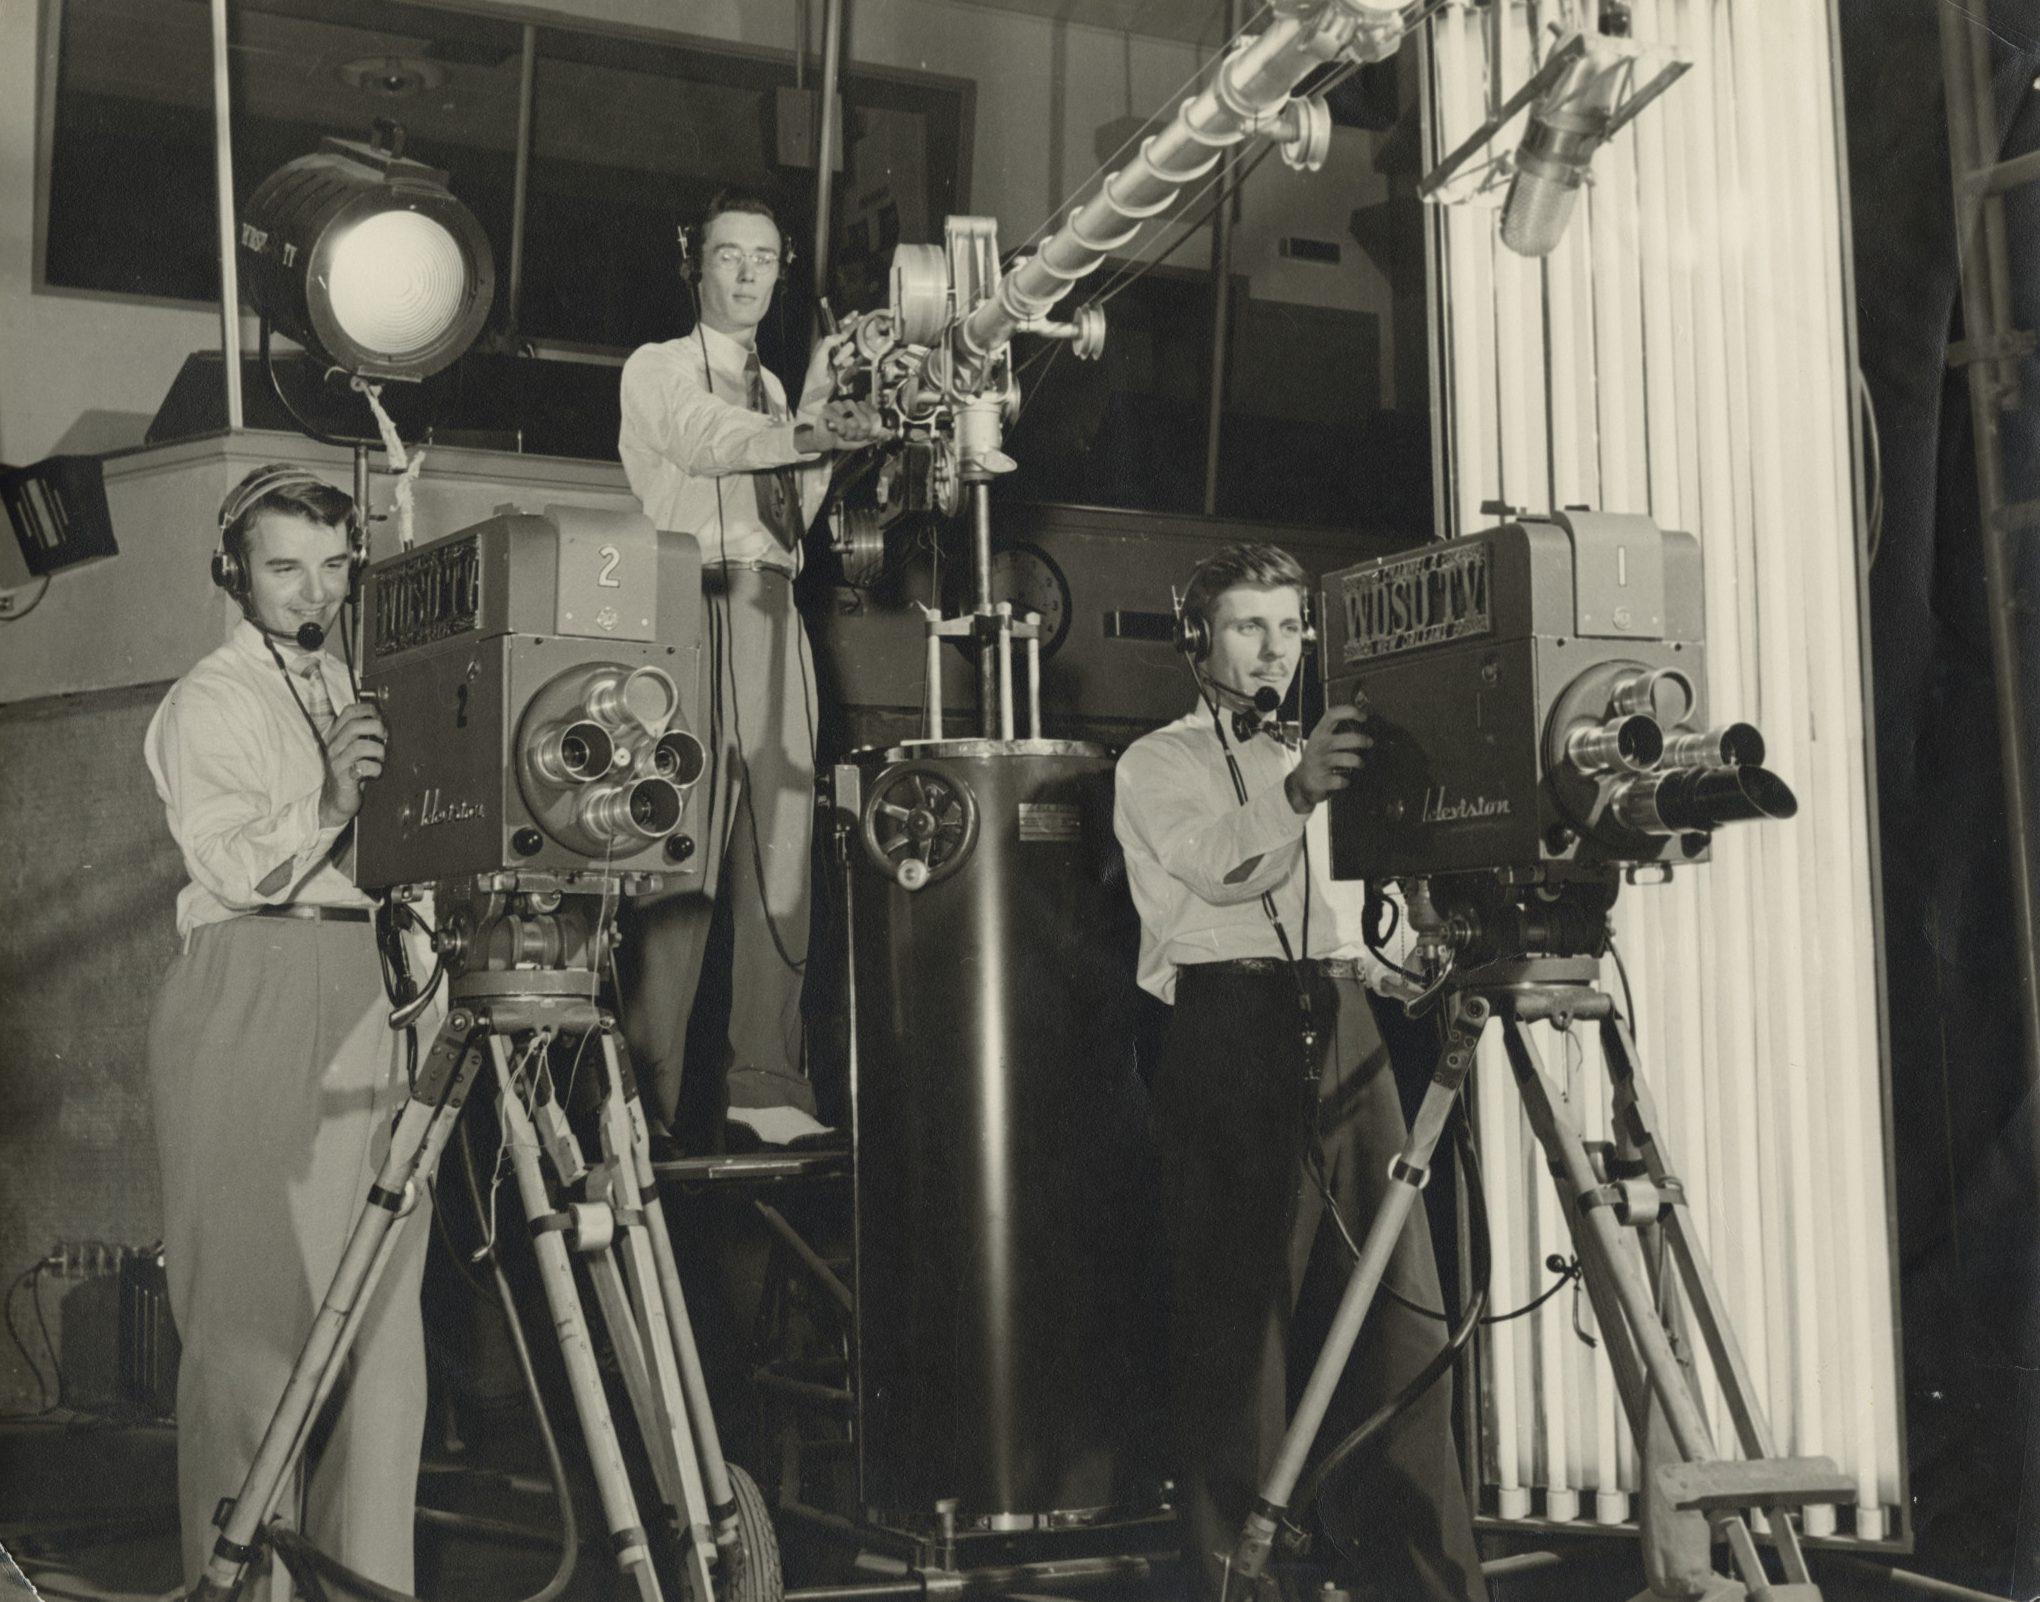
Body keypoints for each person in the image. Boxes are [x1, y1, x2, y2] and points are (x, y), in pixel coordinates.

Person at [1112, 543, 1488, 1602]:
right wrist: (1298, 789)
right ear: (1198, 642)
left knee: (1402, 1314)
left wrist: (1423, 955)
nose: (1271, 650)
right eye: (1246, 627)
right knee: (1241, 1336)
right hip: (1225, 1033)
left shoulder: (1323, 763)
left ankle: (1431, 1582)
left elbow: (1349, 925)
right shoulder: (1157, 765)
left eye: (1287, 628)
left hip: (1347, 1022)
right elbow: (1219, 866)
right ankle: (1244, 1585)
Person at [144, 464, 427, 1590]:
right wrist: (329, 805)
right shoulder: (208, 699)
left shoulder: (365, 684)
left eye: (331, 568)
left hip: (381, 986)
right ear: (235, 575)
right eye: (282, 568)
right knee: (252, 1340)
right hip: (254, 980)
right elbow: (228, 858)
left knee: (380, 1336)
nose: (312, 594)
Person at [616, 188, 885, 1146]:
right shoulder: (656, 370)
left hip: (774, 608)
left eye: (764, 259)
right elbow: (708, 443)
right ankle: (642, 1099)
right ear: (695, 262)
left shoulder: (774, 392)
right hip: (689, 603)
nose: (745, 275)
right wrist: (808, 431)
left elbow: (792, 516)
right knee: (678, 856)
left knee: (784, 847)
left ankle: (766, 1084)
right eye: (728, 255)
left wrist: (817, 407)